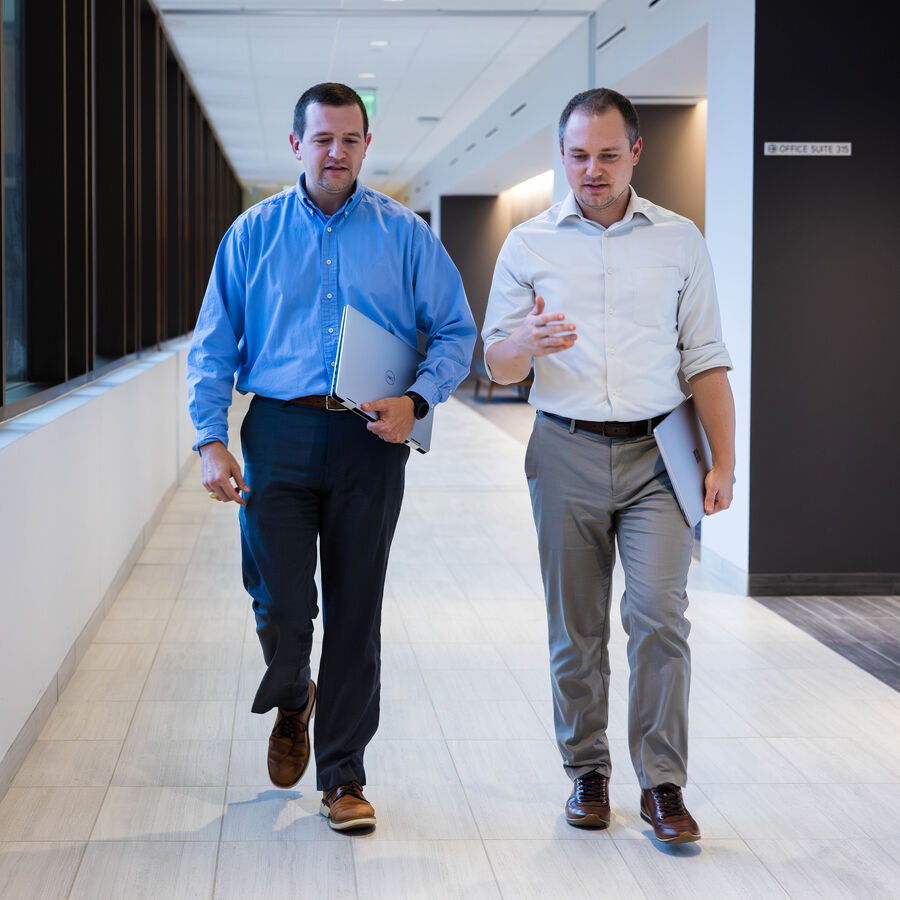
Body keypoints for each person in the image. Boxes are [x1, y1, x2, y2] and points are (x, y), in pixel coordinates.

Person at [187, 82, 475, 832]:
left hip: (369, 440)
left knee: (356, 611)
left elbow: (455, 331)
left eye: (350, 139)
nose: (337, 153)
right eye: (322, 139)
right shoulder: (251, 235)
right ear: (296, 145)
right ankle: (293, 695)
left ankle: (343, 775)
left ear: (366, 146)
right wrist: (212, 439)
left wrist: (419, 399)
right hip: (277, 433)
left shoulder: (404, 234)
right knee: (280, 598)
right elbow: (212, 346)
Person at [482, 88, 735, 844]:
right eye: (578, 156)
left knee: (660, 617)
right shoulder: (528, 245)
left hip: (660, 452)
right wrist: (523, 341)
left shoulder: (680, 240)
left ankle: (663, 784)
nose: (592, 170)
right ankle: (587, 773)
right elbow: (494, 364)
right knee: (577, 627)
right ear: (561, 157)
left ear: (636, 153)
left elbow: (708, 359)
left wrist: (725, 461)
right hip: (563, 448)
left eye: (607, 155)